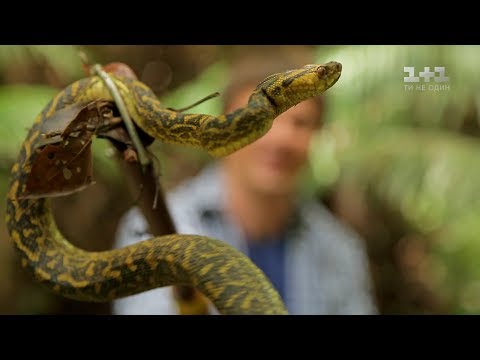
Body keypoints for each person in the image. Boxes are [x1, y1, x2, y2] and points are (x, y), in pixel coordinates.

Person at [113, 49, 378, 315]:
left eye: (300, 122)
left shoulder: (339, 249)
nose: (281, 139)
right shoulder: (151, 225)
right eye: (266, 119)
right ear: (227, 125)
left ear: (316, 135)